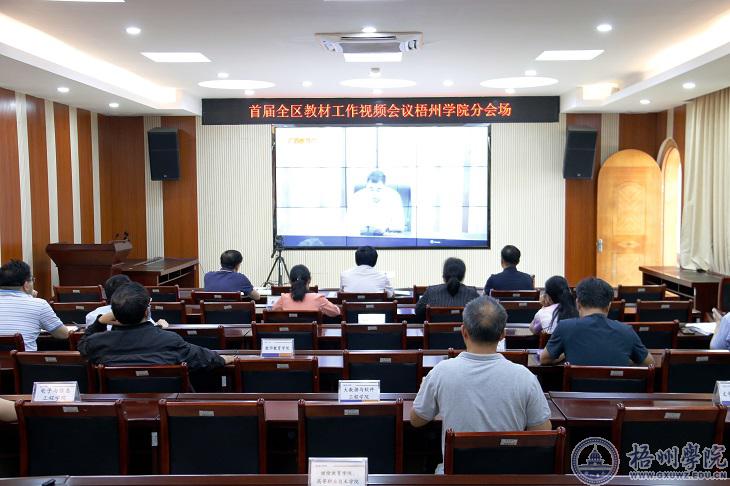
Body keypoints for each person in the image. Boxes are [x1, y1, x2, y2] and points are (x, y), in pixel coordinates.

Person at [410, 295, 551, 474]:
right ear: (502, 335)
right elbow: (542, 432)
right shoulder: (525, 377)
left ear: (464, 331)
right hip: (508, 477)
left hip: (455, 478)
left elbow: (416, 420)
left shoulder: (441, 372)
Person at [78, 282, 233, 369]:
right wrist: (223, 359)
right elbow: (202, 357)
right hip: (165, 406)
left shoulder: (98, 343)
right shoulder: (169, 340)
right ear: (147, 312)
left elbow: (83, 345)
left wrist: (99, 323)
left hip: (118, 410)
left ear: (113, 313)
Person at [540, 277, 655, 366]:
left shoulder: (565, 327)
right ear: (609, 306)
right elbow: (650, 362)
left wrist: (566, 353)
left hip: (579, 390)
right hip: (616, 391)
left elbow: (544, 359)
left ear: (578, 303)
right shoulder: (627, 331)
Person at [0, 260, 75, 351]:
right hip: (24, 360)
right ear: (26, 284)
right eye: (32, 280)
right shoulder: (39, 305)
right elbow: (63, 334)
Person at [415, 257, 479, 322]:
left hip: (437, 329)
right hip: (464, 329)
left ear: (444, 275)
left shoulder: (431, 291)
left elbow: (418, 312)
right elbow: (481, 316)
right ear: (463, 276)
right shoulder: (472, 293)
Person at [85, 274, 163, 327]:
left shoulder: (91, 316)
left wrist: (100, 320)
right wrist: (160, 326)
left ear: (105, 295)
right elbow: (151, 332)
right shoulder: (138, 311)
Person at [347, 170, 405, 235]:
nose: (374, 193)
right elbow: (348, 224)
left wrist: (385, 229)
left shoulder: (394, 196)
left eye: (379, 189)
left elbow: (400, 226)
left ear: (385, 187)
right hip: (361, 237)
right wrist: (361, 229)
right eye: (371, 189)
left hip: (386, 237)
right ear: (366, 186)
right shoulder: (357, 197)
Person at [271, 265, 341, 317]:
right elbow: (336, 312)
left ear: (290, 281)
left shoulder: (283, 299)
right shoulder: (318, 299)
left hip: (290, 333)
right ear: (309, 280)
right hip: (312, 333)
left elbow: (272, 313)